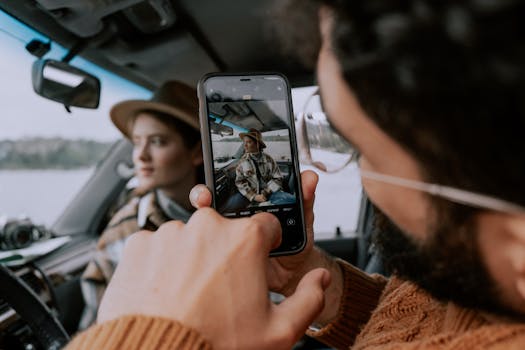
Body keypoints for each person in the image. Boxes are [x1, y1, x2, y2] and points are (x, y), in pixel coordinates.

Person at [67, 1, 525, 349]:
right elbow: (446, 320)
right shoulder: (488, 278)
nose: (362, 178)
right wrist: (324, 286)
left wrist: (155, 336)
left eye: (362, 150)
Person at [78, 80, 203, 329]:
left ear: (198, 152)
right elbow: (98, 331)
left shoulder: (235, 215)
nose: (141, 155)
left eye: (157, 141)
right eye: (137, 142)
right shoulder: (123, 232)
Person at [224, 128, 296, 210]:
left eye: (249, 142)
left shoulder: (269, 160)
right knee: (228, 208)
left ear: (257, 144)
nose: (245, 145)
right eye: (244, 142)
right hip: (249, 195)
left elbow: (278, 179)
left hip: (270, 193)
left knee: (293, 200)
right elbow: (240, 182)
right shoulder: (242, 162)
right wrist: (254, 196)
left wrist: (266, 192)